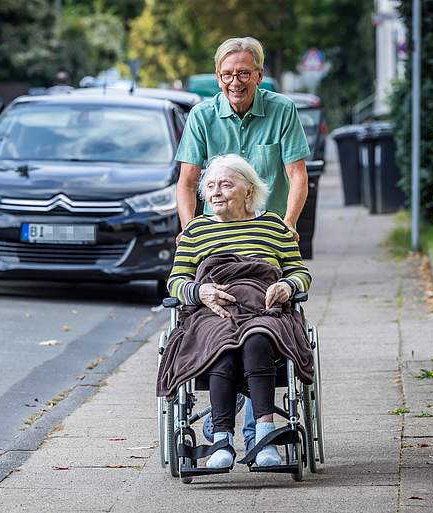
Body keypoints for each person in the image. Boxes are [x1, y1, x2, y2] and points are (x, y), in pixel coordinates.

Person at [174, 36, 311, 452]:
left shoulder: (282, 111)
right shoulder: (202, 116)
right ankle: (226, 431)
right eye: (228, 74)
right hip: (214, 240)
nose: (236, 81)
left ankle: (258, 434)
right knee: (221, 332)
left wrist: (282, 228)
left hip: (264, 233)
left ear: (259, 75)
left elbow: (298, 176)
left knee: (261, 330)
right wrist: (193, 233)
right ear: (218, 77)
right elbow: (188, 183)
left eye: (244, 73)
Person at [156, 154, 313, 469]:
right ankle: (221, 442)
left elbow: (300, 272)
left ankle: (266, 440)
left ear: (249, 191)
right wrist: (200, 291)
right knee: (222, 345)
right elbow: (175, 282)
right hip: (214, 311)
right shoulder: (196, 231)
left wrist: (287, 287)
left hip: (264, 310)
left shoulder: (272, 226)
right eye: (211, 186)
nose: (216, 192)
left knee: (257, 338)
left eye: (226, 185)